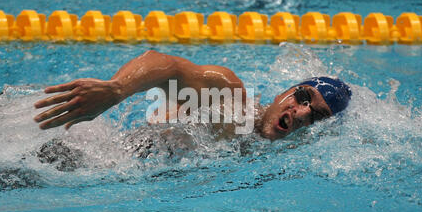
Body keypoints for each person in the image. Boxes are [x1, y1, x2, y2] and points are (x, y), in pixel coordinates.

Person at [34, 50, 352, 140]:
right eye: (302, 97)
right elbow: (168, 66)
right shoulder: (231, 99)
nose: (301, 113)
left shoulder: (291, 150)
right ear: (285, 91)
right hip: (90, 152)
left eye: (317, 116)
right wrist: (115, 89)